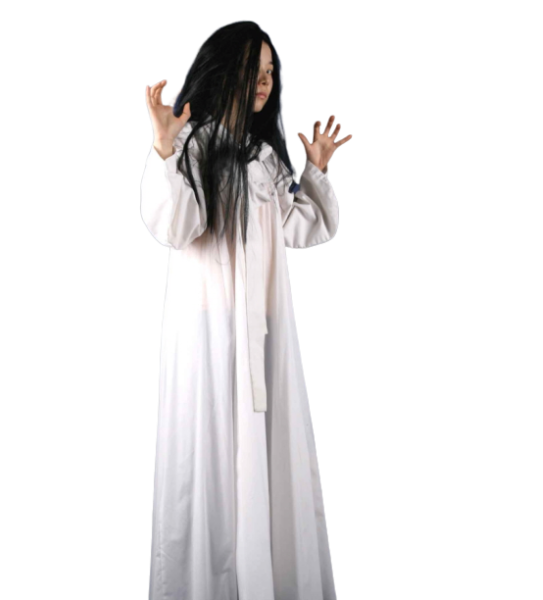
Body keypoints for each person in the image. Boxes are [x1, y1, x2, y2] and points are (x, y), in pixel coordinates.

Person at [141, 19, 351, 600]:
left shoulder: (264, 161)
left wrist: (315, 172)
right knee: (209, 462)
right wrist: (164, 147)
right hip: (208, 342)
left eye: (269, 72)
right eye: (252, 70)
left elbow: (303, 228)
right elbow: (173, 225)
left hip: (262, 339)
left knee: (267, 458)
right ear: (223, 70)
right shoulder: (191, 145)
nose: (263, 82)